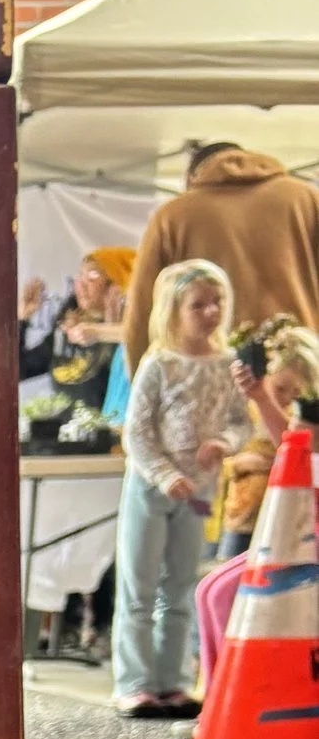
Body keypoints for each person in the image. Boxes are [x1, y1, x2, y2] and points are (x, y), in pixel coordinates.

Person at [114, 259, 254, 716]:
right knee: (140, 584)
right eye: (199, 305)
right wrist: (163, 474)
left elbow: (238, 420)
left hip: (198, 492)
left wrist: (223, 443)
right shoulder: (159, 363)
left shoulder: (225, 362)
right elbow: (136, 431)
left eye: (217, 303)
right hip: (152, 489)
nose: (210, 312)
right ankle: (133, 682)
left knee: (179, 586)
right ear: (175, 309)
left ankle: (171, 681)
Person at [121, 147, 319, 374]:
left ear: (191, 177)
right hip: (301, 366)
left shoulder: (172, 216)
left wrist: (141, 378)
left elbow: (141, 309)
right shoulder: (308, 200)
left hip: (209, 374)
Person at [214, 320, 319, 559]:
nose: (288, 399)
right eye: (281, 388)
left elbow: (294, 449)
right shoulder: (245, 407)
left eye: (297, 393)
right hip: (243, 517)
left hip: (289, 521)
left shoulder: (303, 416)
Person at [21, 248, 130, 446]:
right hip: (68, 443)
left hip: (110, 445)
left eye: (92, 276)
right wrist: (23, 320)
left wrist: (108, 330)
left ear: (117, 284)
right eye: (79, 276)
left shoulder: (128, 339)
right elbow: (19, 371)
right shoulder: (68, 335)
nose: (81, 285)